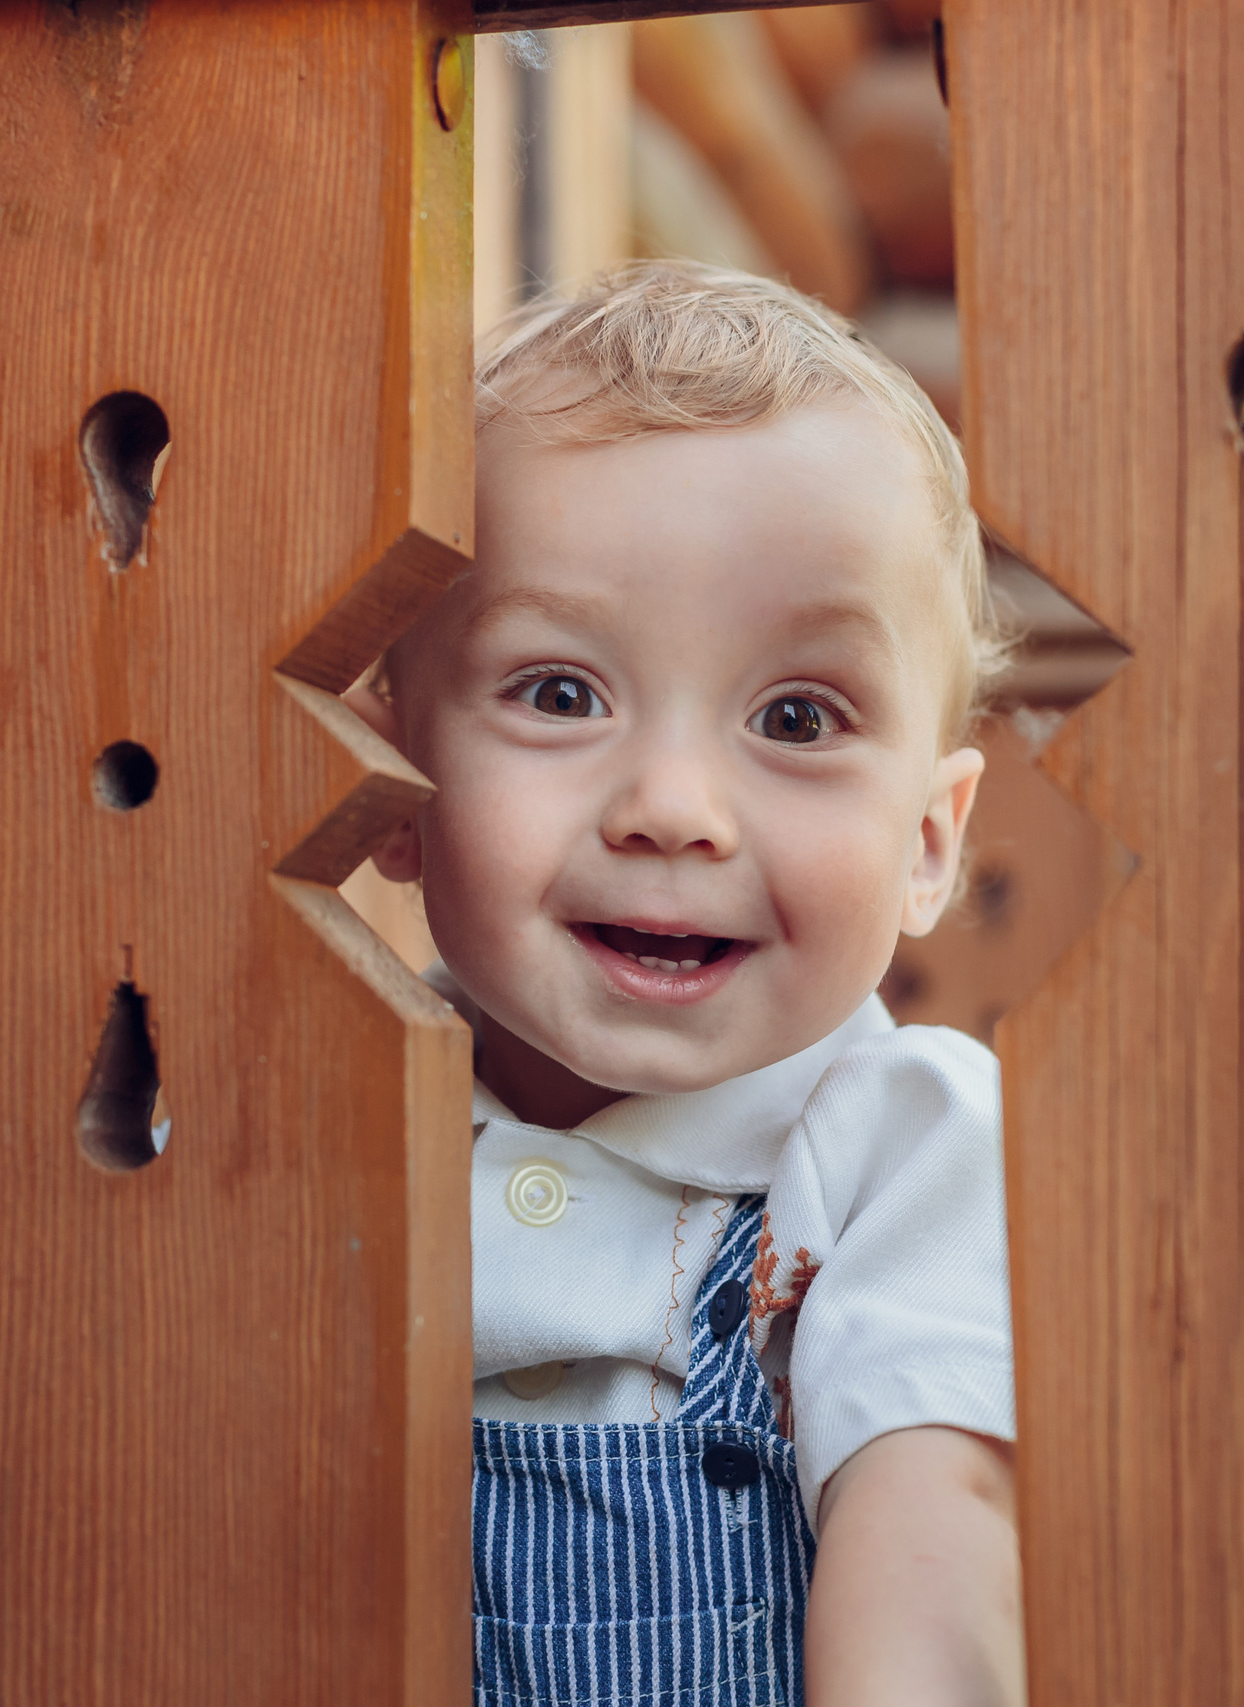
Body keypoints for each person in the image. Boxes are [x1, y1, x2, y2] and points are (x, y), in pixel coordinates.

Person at [350, 259, 1020, 1707]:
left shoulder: (905, 1146)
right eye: (559, 692)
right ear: (390, 776)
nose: (672, 806)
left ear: (927, 841)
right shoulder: (320, 1105)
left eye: (796, 717)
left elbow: (937, 1568)